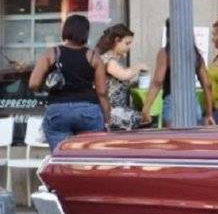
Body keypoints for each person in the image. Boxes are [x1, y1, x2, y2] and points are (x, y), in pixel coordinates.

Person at [28, 15, 111, 151]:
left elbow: (33, 84)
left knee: (62, 156)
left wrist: (48, 86)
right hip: (88, 110)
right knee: (90, 156)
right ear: (86, 32)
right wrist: (107, 116)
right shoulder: (93, 56)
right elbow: (102, 91)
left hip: (58, 110)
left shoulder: (51, 53)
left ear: (65, 30)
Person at [141, 19, 215, 128]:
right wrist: (209, 114)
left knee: (172, 137)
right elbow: (207, 84)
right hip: (193, 104)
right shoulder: (195, 54)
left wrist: (146, 108)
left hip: (172, 103)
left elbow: (157, 81)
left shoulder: (166, 52)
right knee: (193, 137)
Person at [95, 24, 149, 130]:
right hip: (111, 110)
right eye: (127, 43)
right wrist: (139, 66)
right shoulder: (108, 60)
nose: (129, 47)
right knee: (143, 119)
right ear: (116, 40)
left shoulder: (112, 60)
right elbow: (124, 75)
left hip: (116, 109)